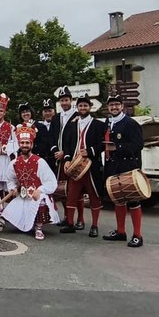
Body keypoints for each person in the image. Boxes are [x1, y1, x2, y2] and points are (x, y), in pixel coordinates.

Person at [100, 94, 145, 247]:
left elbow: (138, 145)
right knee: (118, 200)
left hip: (128, 167)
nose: (114, 107)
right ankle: (120, 232)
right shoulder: (107, 122)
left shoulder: (130, 123)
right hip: (113, 166)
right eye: (111, 105)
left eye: (116, 104)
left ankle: (138, 235)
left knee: (133, 201)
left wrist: (117, 147)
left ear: (122, 106)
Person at [2, 125, 59, 241]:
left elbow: (51, 182)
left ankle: (38, 227)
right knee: (11, 216)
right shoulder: (14, 163)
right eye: (22, 143)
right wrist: (12, 188)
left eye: (27, 143)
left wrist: (40, 190)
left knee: (41, 200)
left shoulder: (40, 162)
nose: (24, 145)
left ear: (32, 144)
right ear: (19, 144)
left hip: (35, 196)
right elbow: (10, 179)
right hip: (22, 196)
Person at [60, 93, 106, 237]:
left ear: (90, 107)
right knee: (71, 194)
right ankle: (70, 223)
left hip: (91, 166)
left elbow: (103, 144)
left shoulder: (99, 125)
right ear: (77, 107)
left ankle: (94, 225)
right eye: (80, 105)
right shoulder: (72, 124)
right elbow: (67, 145)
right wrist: (67, 159)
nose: (83, 107)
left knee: (94, 196)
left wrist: (90, 151)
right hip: (75, 165)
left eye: (85, 105)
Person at [50, 86, 82, 227]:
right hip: (59, 159)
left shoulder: (77, 117)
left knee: (76, 190)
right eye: (62, 100)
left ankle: (80, 219)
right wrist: (56, 151)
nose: (64, 103)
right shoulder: (56, 117)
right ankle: (66, 217)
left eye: (66, 100)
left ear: (71, 100)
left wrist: (66, 153)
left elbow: (76, 139)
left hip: (72, 158)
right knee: (63, 189)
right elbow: (52, 137)